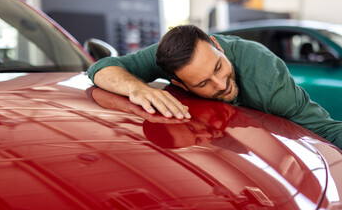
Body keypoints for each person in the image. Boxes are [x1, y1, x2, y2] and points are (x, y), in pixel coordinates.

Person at [87, 24, 342, 149]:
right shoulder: (169, 56)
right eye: (203, 83)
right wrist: (138, 89)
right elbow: (100, 68)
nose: (221, 84)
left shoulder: (268, 81)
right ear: (178, 82)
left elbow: (326, 130)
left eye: (218, 67)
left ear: (217, 46)